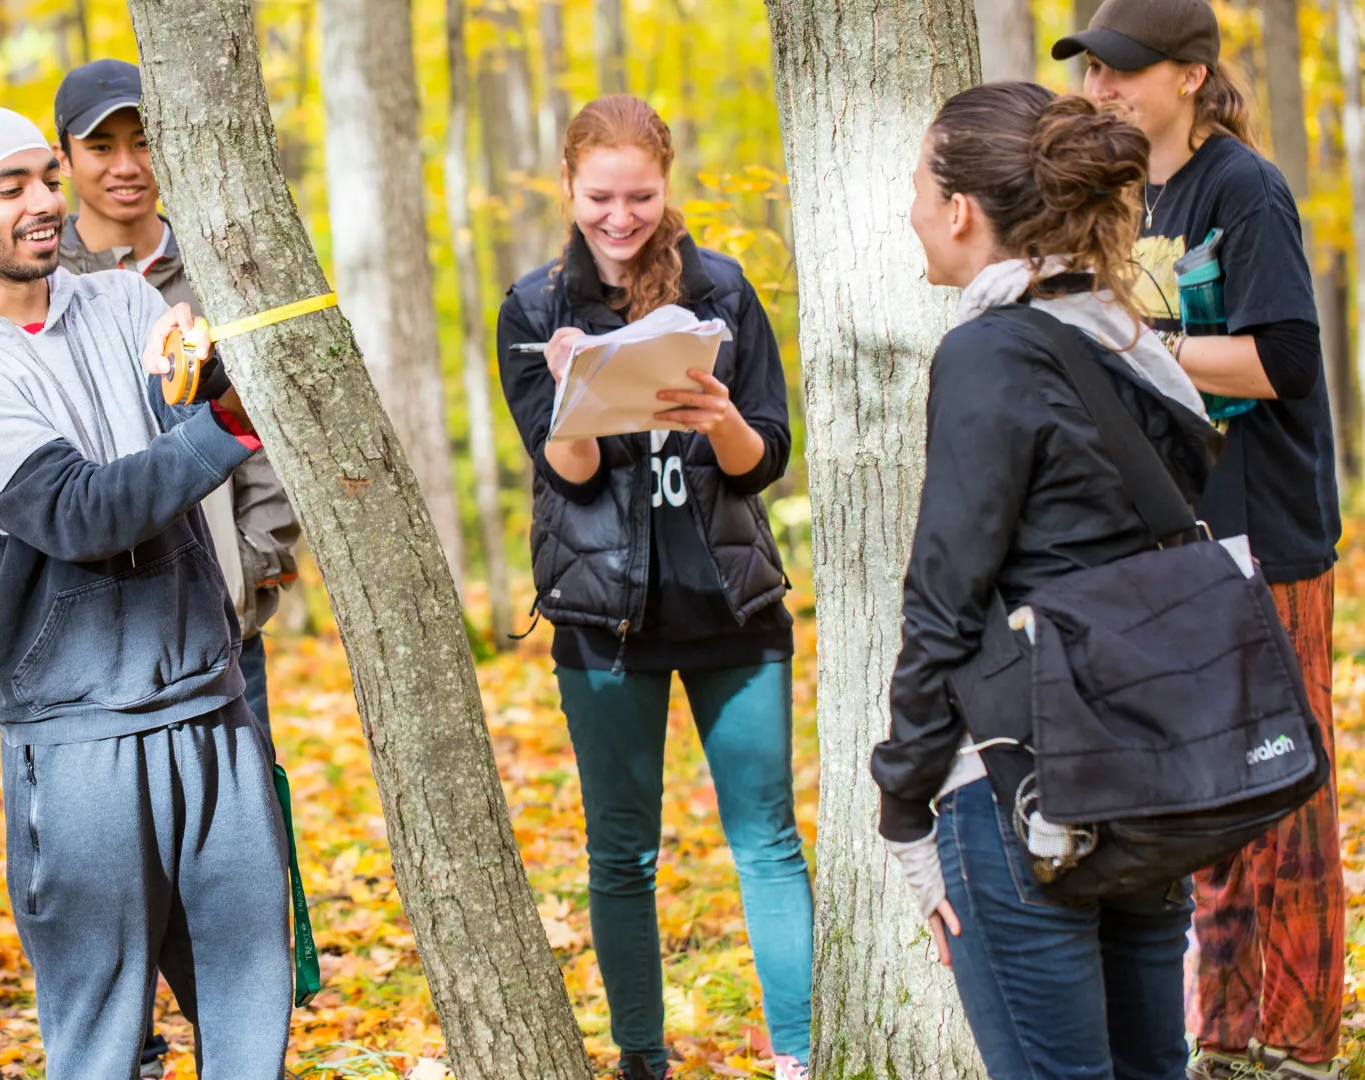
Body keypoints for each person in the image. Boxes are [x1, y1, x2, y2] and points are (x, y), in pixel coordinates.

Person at [0, 107, 292, 1077]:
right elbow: (77, 513)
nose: (44, 201)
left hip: (210, 704)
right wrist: (230, 430)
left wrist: (216, 366)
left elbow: (198, 385)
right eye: (12, 186)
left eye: (43, 177)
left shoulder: (120, 304)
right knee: (100, 1039)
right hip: (77, 741)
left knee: (252, 1018)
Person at [871, 83, 1223, 1078]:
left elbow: (944, 598)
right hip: (1154, 768)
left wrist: (902, 801)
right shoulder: (1130, 343)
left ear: (959, 210)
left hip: (1029, 788)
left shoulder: (989, 354)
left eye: (915, 184)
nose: (909, 210)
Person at [1054, 2, 1344, 1074]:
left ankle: (1301, 1039)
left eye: (1121, 72)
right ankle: (1221, 1037)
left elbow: (1281, 365)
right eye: (1090, 72)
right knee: (1206, 789)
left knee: (1286, 786)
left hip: (1265, 530)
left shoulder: (1243, 189)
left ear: (1189, 74)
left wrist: (1136, 340)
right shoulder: (1133, 196)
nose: (1101, 91)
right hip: (1172, 540)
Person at [496, 94, 811, 1080]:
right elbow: (571, 478)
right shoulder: (535, 307)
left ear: (666, 184)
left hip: (732, 606)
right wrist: (572, 397)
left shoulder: (723, 290)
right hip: (605, 622)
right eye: (600, 197)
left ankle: (802, 1053)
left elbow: (764, 464)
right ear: (568, 188)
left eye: (639, 195)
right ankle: (641, 1056)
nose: (619, 217)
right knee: (622, 853)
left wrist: (718, 415)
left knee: (765, 842)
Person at [51, 59, 304, 1073]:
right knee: (109, 879)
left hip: (217, 625)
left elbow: (270, 426)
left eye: (142, 140)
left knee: (231, 879)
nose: (125, 165)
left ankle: (235, 1047)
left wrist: (261, 555)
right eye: (100, 146)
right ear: (65, 159)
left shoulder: (215, 267)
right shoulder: (42, 279)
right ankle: (134, 1049)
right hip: (87, 641)